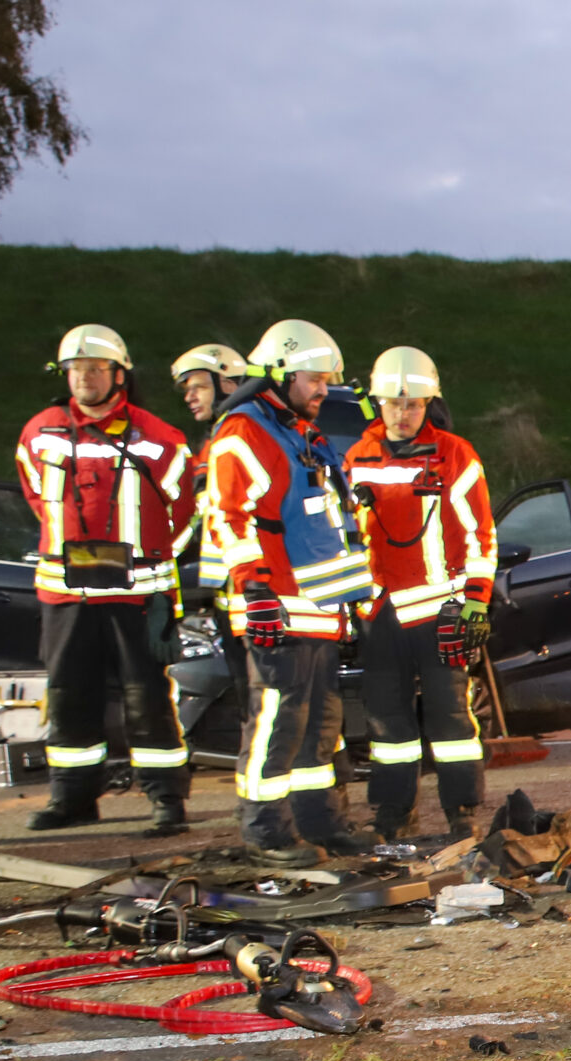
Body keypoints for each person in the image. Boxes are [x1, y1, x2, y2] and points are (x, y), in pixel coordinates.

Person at [13, 324, 194, 836]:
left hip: (136, 592)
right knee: (69, 695)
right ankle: (72, 798)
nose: (84, 378)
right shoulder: (40, 432)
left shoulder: (159, 439)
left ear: (120, 374)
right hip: (65, 591)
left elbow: (186, 512)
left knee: (148, 699)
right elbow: (35, 496)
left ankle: (166, 799)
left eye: (95, 368)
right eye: (75, 369)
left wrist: (154, 568)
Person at [203, 318, 372, 863]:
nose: (324, 390)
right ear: (278, 374)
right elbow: (229, 518)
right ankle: (266, 831)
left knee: (320, 722)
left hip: (315, 610)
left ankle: (318, 822)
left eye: (327, 380)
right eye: (315, 379)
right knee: (277, 718)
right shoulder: (244, 433)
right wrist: (256, 593)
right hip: (275, 606)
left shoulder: (299, 433)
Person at [343, 346, 494, 842]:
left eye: (412, 405)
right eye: (392, 404)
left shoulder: (455, 454)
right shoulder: (356, 458)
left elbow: (480, 537)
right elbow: (346, 538)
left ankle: (461, 811)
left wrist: (476, 605)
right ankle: (392, 812)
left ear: (429, 403)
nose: (402, 414)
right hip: (378, 611)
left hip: (438, 611)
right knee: (386, 722)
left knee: (451, 717)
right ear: (377, 403)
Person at [170, 342, 248, 749]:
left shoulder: (239, 435)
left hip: (254, 596)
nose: (189, 397)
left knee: (270, 702)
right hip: (229, 598)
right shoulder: (215, 440)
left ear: (228, 383)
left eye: (198, 386)